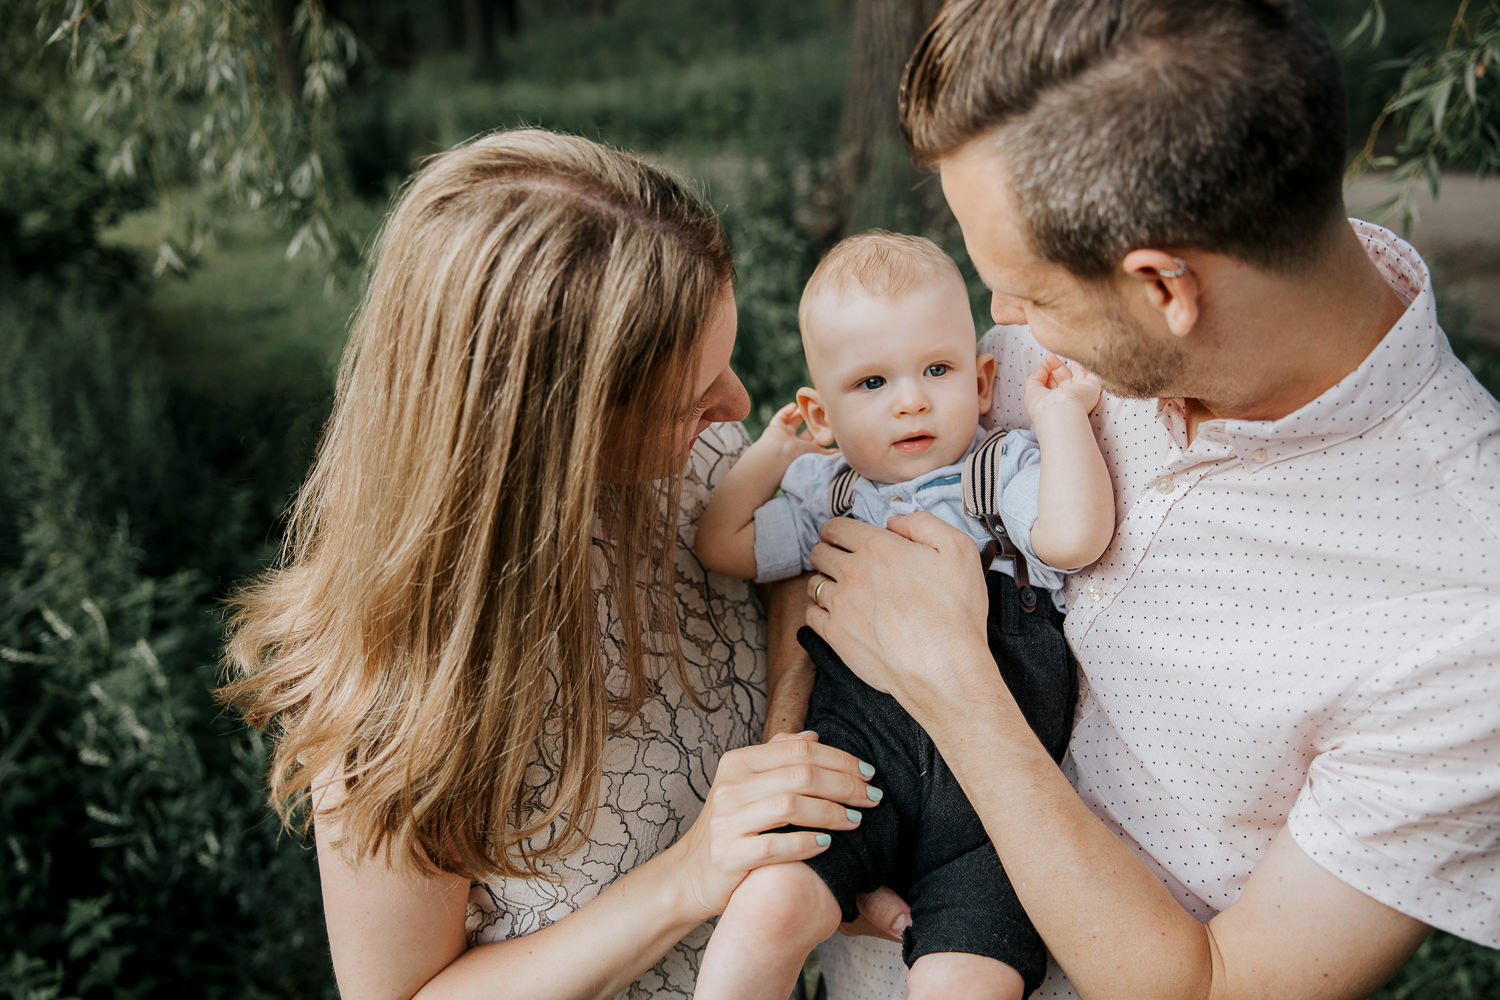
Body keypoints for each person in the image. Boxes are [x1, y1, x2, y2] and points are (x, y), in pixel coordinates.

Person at [799, 2, 1500, 999]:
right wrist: (844, 838)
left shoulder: (1471, 613)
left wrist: (955, 691)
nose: (1003, 324)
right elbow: (853, 515)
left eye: (1029, 295)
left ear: (1164, 286)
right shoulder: (1053, 346)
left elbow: (1222, 988)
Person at [219, 128, 880, 1000]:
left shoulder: (708, 476)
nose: (738, 407)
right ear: (553, 433)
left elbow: (808, 577)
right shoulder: (399, 681)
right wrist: (688, 876)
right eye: (690, 400)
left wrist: (792, 798)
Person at [692, 230, 1113, 1000]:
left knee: (969, 982)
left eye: (937, 370)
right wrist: (773, 454)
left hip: (1000, 817)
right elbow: (724, 544)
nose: (911, 398)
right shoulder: (830, 493)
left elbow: (1075, 539)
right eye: (873, 383)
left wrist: (1061, 420)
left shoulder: (1000, 470)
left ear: (984, 382)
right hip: (857, 778)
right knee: (766, 904)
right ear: (822, 412)